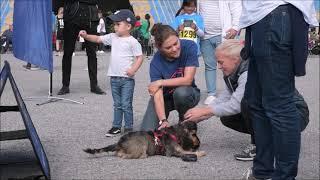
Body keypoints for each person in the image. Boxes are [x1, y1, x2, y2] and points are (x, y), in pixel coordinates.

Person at [184, 40, 310, 162]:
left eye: (221, 62)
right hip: (276, 113)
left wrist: (206, 111)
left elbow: (236, 104)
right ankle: (270, 141)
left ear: (235, 59)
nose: (219, 67)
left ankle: (261, 146)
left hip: (294, 115)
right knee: (227, 117)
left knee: (246, 102)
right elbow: (226, 97)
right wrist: (203, 113)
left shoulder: (248, 72)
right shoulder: (234, 70)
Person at [239, 1, 318, 179]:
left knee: (280, 107)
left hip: (273, 15)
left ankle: (283, 176)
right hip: (263, 17)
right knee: (256, 102)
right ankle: (263, 172)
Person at [79, 9, 143, 136]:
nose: (115, 26)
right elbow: (98, 39)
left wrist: (133, 69)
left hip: (127, 79)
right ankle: (116, 126)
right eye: (115, 24)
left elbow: (140, 57)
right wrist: (86, 36)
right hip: (114, 78)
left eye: (118, 24)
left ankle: (129, 127)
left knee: (126, 104)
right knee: (117, 104)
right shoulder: (113, 37)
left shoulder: (133, 42)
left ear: (128, 26)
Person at [140, 23, 200, 131]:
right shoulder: (155, 62)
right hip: (165, 98)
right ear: (159, 48)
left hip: (187, 94)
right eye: (168, 47)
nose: (174, 49)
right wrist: (163, 120)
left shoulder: (189, 46)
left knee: (181, 93)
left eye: (176, 43)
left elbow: (188, 80)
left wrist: (160, 82)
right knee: (146, 131)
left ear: (178, 37)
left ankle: (184, 119)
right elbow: (157, 93)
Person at [56, 0, 105, 95]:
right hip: (72, 16)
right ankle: (65, 85)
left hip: (90, 17)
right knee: (67, 53)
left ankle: (94, 85)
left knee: (92, 52)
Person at [198, 0, 242, 105]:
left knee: (229, 65)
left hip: (223, 34)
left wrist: (236, 27)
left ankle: (233, 92)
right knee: (209, 66)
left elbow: (236, 8)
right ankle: (211, 94)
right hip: (205, 36)